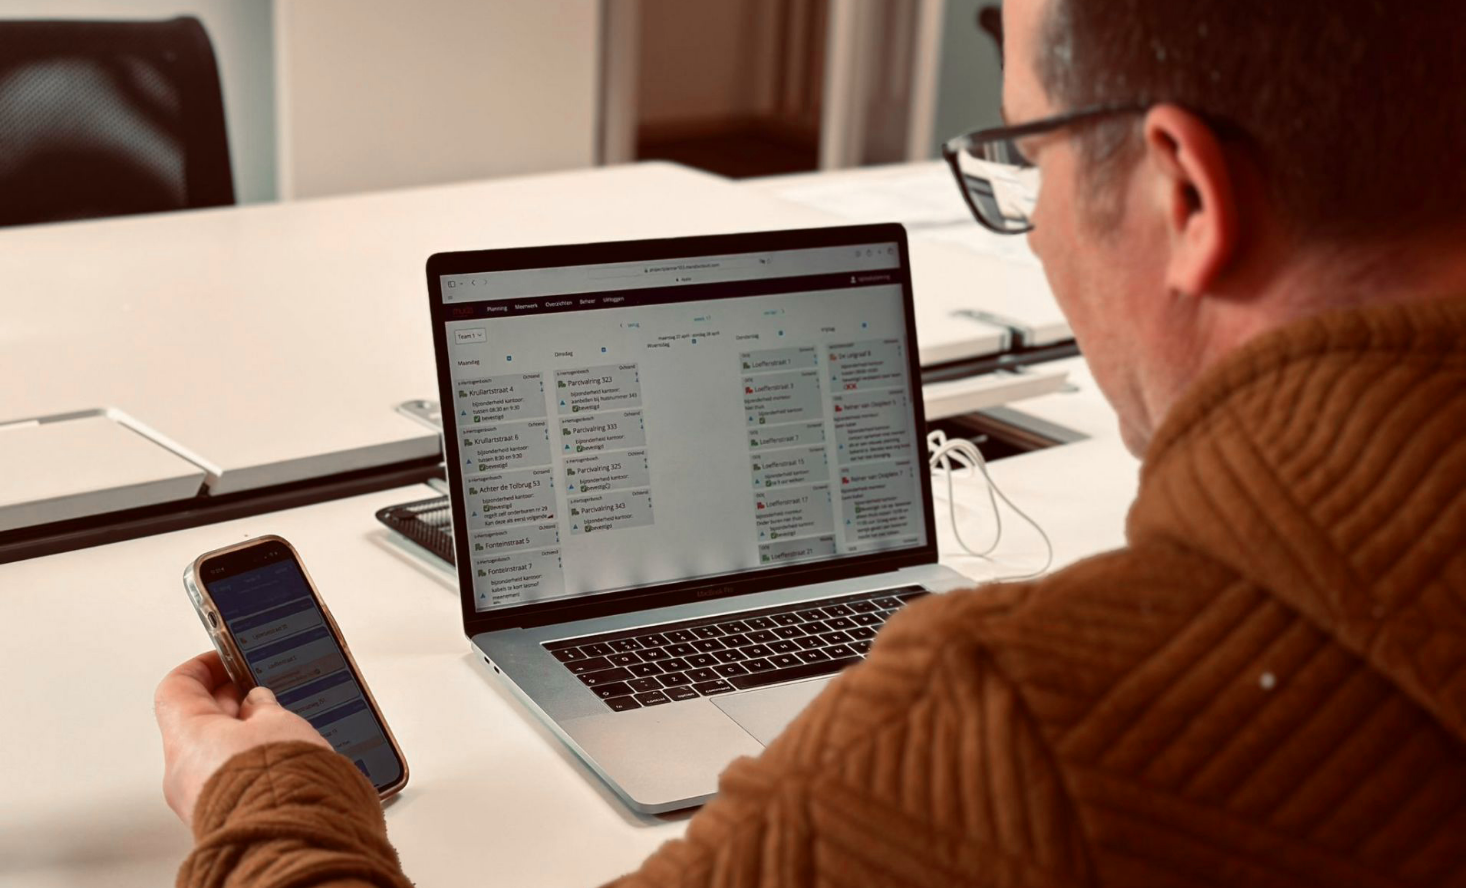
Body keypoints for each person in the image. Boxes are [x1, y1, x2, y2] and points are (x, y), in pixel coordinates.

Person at [154, 0, 1466, 884]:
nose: (1043, 226)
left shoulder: (1008, 737)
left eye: (1031, 161)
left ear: (1184, 194)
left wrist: (267, 794)